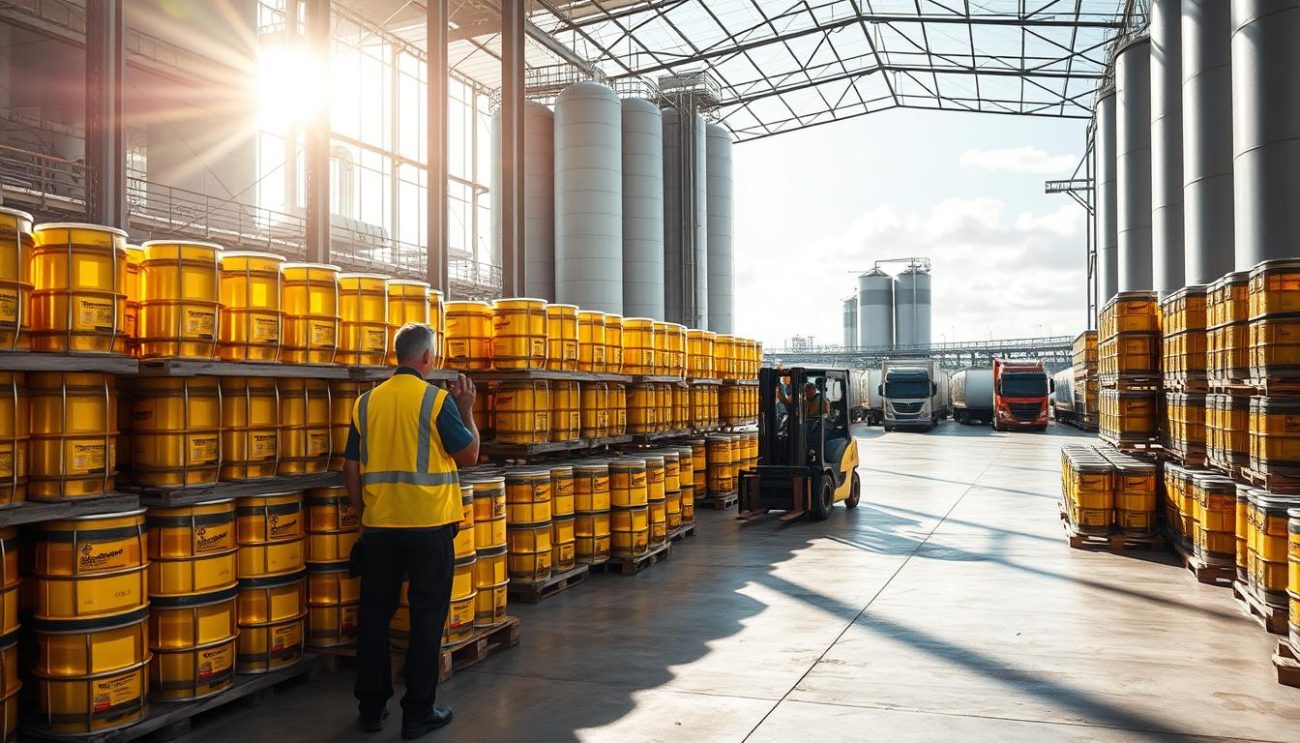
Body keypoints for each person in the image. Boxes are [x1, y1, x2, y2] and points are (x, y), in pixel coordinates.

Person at [344, 323, 480, 740]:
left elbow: (350, 466)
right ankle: (418, 713)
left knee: (374, 618)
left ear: (396, 356)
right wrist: (468, 410)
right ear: (426, 359)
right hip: (428, 528)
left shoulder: (366, 403)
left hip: (380, 527)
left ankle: (370, 709)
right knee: (425, 620)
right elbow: (470, 455)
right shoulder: (437, 401)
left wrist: (363, 513)